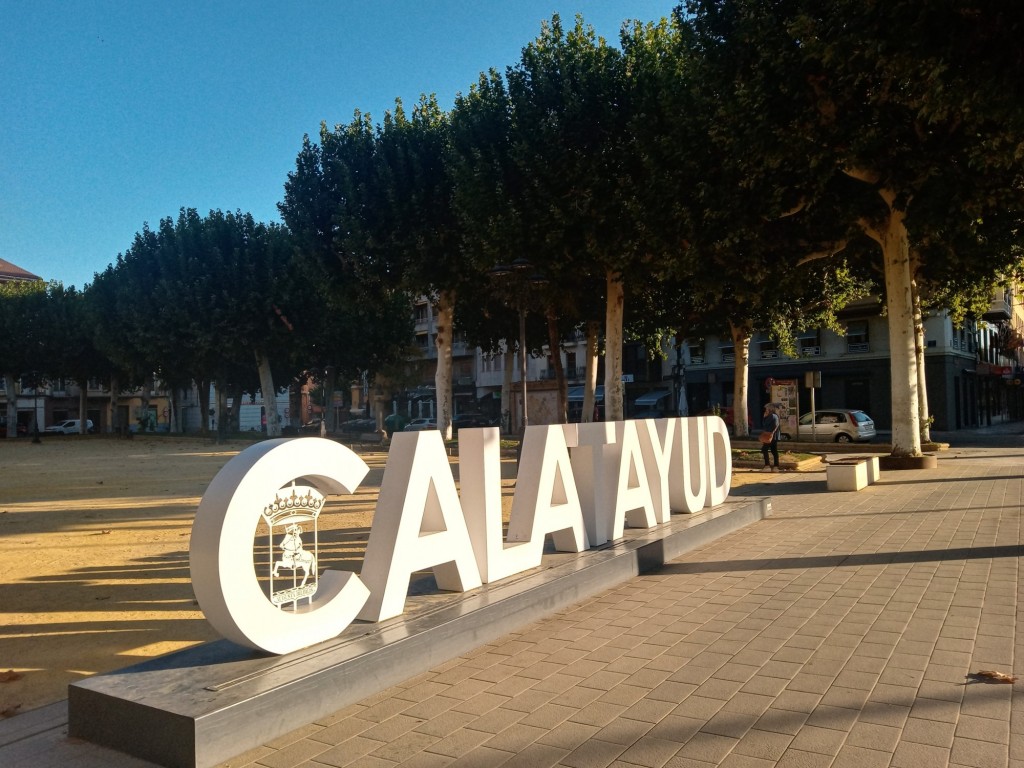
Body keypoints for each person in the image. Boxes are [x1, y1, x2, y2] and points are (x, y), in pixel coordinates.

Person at [761, 403, 780, 472]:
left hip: (770, 436)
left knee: (764, 449)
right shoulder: (775, 415)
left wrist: (765, 417)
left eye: (766, 408)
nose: (765, 410)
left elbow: (765, 424)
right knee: (774, 451)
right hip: (774, 436)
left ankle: (767, 466)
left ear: (770, 409)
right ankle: (776, 467)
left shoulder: (771, 416)